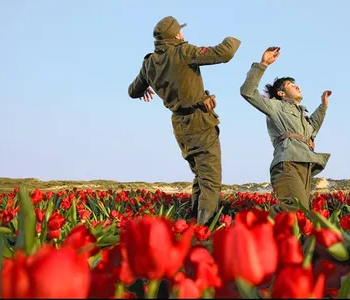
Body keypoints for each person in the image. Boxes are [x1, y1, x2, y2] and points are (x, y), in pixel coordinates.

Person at [127, 16, 241, 224]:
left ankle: (193, 221)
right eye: (180, 31)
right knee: (210, 179)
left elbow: (133, 91)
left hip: (180, 126)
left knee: (200, 174)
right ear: (177, 35)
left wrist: (148, 86)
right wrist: (234, 38)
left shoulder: (149, 63)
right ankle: (206, 228)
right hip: (199, 122)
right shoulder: (182, 51)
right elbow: (225, 53)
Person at [240, 46, 331, 215]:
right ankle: (256, 229)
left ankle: (270, 233)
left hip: (305, 163)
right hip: (287, 162)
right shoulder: (276, 107)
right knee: (294, 208)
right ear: (281, 93)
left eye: (296, 84)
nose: (297, 86)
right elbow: (248, 92)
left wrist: (323, 106)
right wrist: (263, 64)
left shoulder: (302, 115)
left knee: (302, 213)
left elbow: (313, 128)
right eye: (291, 84)